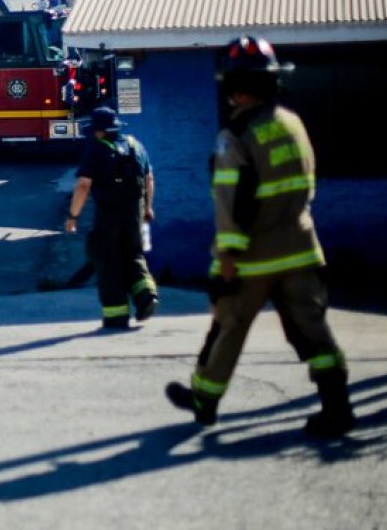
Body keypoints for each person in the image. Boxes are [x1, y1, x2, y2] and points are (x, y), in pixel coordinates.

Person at [165, 36, 355, 438]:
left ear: (234, 87)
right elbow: (307, 185)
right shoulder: (292, 124)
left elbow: (228, 202)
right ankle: (338, 407)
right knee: (312, 329)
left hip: (252, 258)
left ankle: (204, 402)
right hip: (302, 248)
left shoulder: (235, 136)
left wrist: (227, 257)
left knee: (228, 328)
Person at [65, 106, 159, 330]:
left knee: (108, 262)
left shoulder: (96, 150)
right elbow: (149, 179)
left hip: (108, 216)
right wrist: (148, 208)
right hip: (134, 214)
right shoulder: (136, 145)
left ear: (99, 130)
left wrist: (73, 216)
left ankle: (116, 316)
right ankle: (146, 294)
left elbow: (83, 185)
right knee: (133, 255)